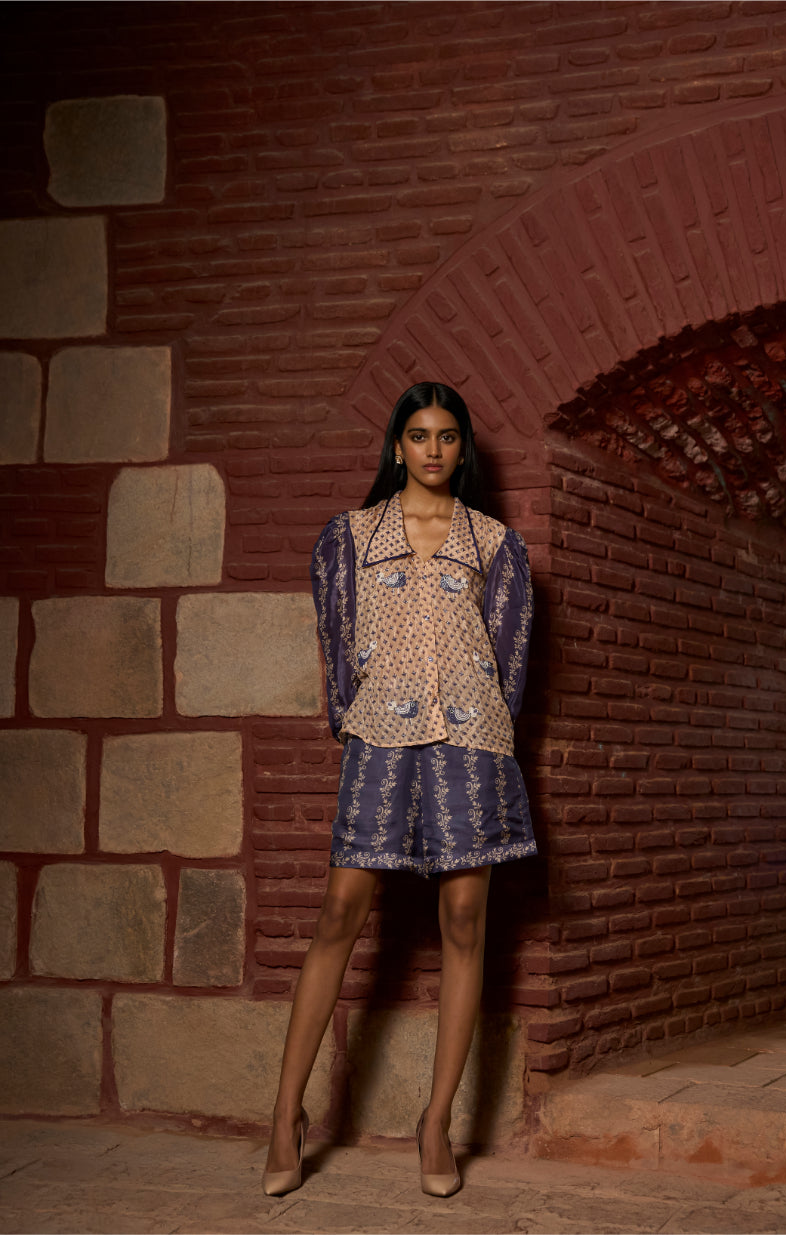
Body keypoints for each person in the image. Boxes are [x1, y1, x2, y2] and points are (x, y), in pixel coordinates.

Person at [263, 381, 536, 1199]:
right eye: (418, 435)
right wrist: (362, 718)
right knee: (339, 912)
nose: (432, 449)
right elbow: (336, 646)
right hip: (380, 735)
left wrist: (482, 725)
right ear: (396, 446)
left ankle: (436, 1121)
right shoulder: (348, 538)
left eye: (447, 436)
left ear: (462, 449)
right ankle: (284, 1115)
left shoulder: (495, 544)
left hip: (472, 740)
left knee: (464, 920)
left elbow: (511, 664)